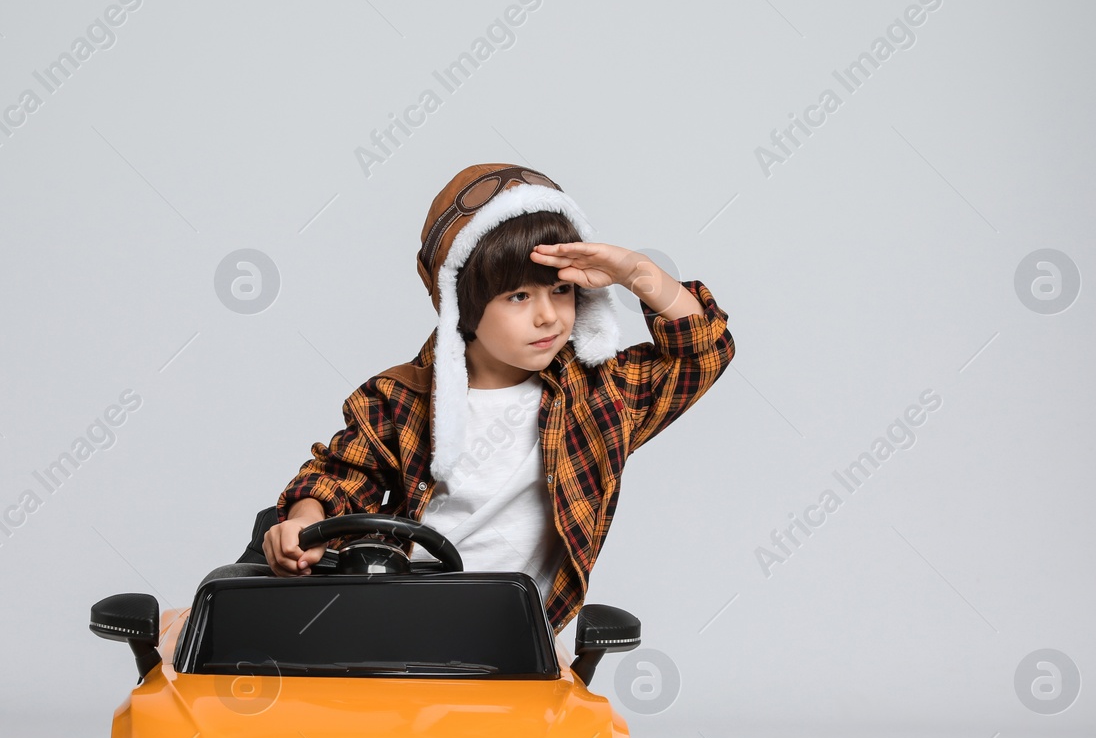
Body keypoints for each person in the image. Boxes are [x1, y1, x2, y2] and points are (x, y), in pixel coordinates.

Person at [202, 162, 736, 642]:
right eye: (519, 296)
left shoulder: (600, 396)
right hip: (384, 624)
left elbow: (703, 354)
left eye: (561, 291)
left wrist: (638, 273)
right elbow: (338, 476)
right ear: (462, 304)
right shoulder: (400, 399)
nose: (548, 316)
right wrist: (300, 521)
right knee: (229, 630)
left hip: (511, 643)